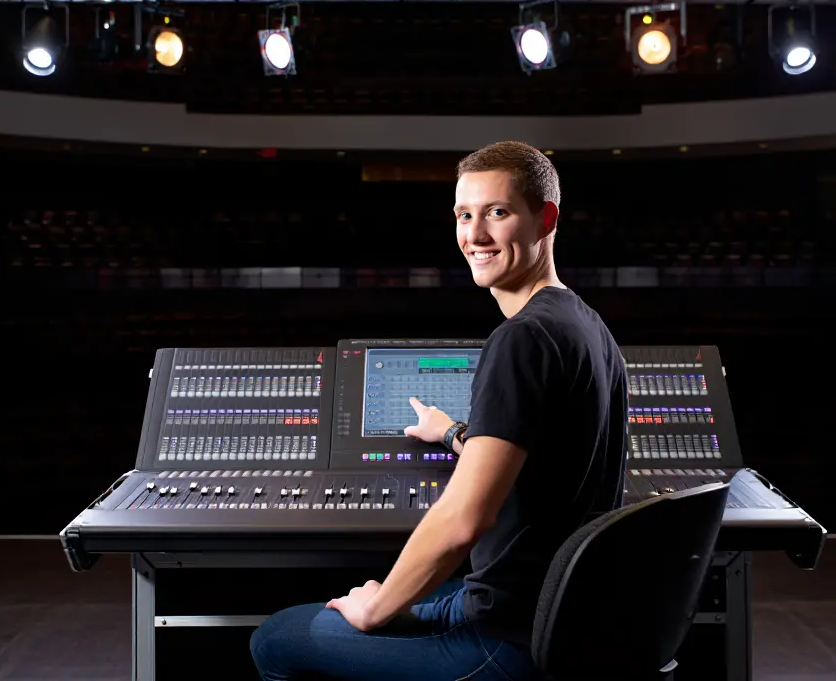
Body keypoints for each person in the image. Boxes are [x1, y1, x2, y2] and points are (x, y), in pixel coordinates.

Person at [250, 141, 628, 680]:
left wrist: (375, 607)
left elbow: (461, 523)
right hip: (557, 617)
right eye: (464, 215)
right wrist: (453, 432)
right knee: (421, 597)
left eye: (497, 212)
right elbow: (544, 453)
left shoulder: (521, 339)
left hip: (509, 641)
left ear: (545, 219)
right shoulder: (588, 325)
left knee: (278, 638)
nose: (474, 235)